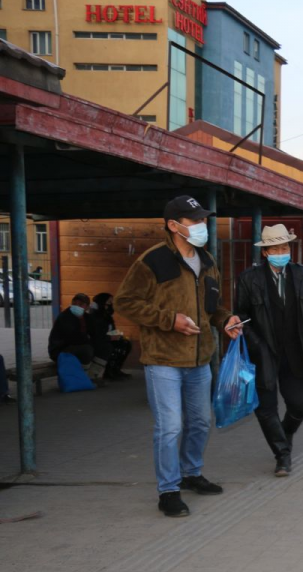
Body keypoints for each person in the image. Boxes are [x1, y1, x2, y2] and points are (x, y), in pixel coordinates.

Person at [115, 195, 241, 518]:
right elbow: (125, 302)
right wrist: (170, 320)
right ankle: (168, 490)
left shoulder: (208, 261)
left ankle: (191, 474)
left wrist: (226, 320)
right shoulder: (152, 261)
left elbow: (213, 306)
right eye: (194, 220)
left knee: (200, 422)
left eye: (202, 220)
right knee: (170, 426)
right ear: (173, 225)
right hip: (163, 360)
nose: (202, 226)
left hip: (200, 360)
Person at [235, 224, 303, 478]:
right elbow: (241, 315)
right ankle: (282, 455)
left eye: (284, 247)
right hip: (264, 353)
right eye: (274, 248)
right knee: (266, 408)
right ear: (265, 252)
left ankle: (284, 434)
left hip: (297, 353)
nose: (280, 252)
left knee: (300, 406)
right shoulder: (248, 279)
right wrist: (255, 344)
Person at [86, 293, 133, 381]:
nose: (110, 305)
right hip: (98, 341)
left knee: (125, 343)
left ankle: (116, 369)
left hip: (106, 338)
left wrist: (118, 334)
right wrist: (110, 338)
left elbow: (111, 329)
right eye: (108, 302)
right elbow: (96, 335)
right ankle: (109, 371)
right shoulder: (95, 316)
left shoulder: (107, 316)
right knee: (111, 347)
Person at [48, 293, 94, 366]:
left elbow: (92, 332)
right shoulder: (65, 317)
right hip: (60, 350)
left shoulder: (86, 317)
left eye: (81, 304)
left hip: (73, 346)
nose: (77, 306)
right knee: (87, 350)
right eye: (74, 303)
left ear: (87, 307)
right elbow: (73, 338)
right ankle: (83, 373)